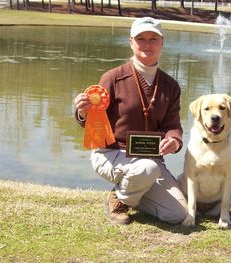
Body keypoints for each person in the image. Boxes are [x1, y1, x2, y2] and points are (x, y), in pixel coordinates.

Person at [74, 17, 187, 225]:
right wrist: (83, 112)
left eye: (153, 39)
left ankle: (133, 193)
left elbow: (173, 126)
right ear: (131, 42)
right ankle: (117, 198)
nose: (147, 44)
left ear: (162, 42)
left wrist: (174, 140)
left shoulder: (171, 86)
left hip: (151, 160)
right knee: (147, 169)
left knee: (178, 215)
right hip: (112, 154)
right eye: (141, 38)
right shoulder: (113, 78)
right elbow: (91, 122)